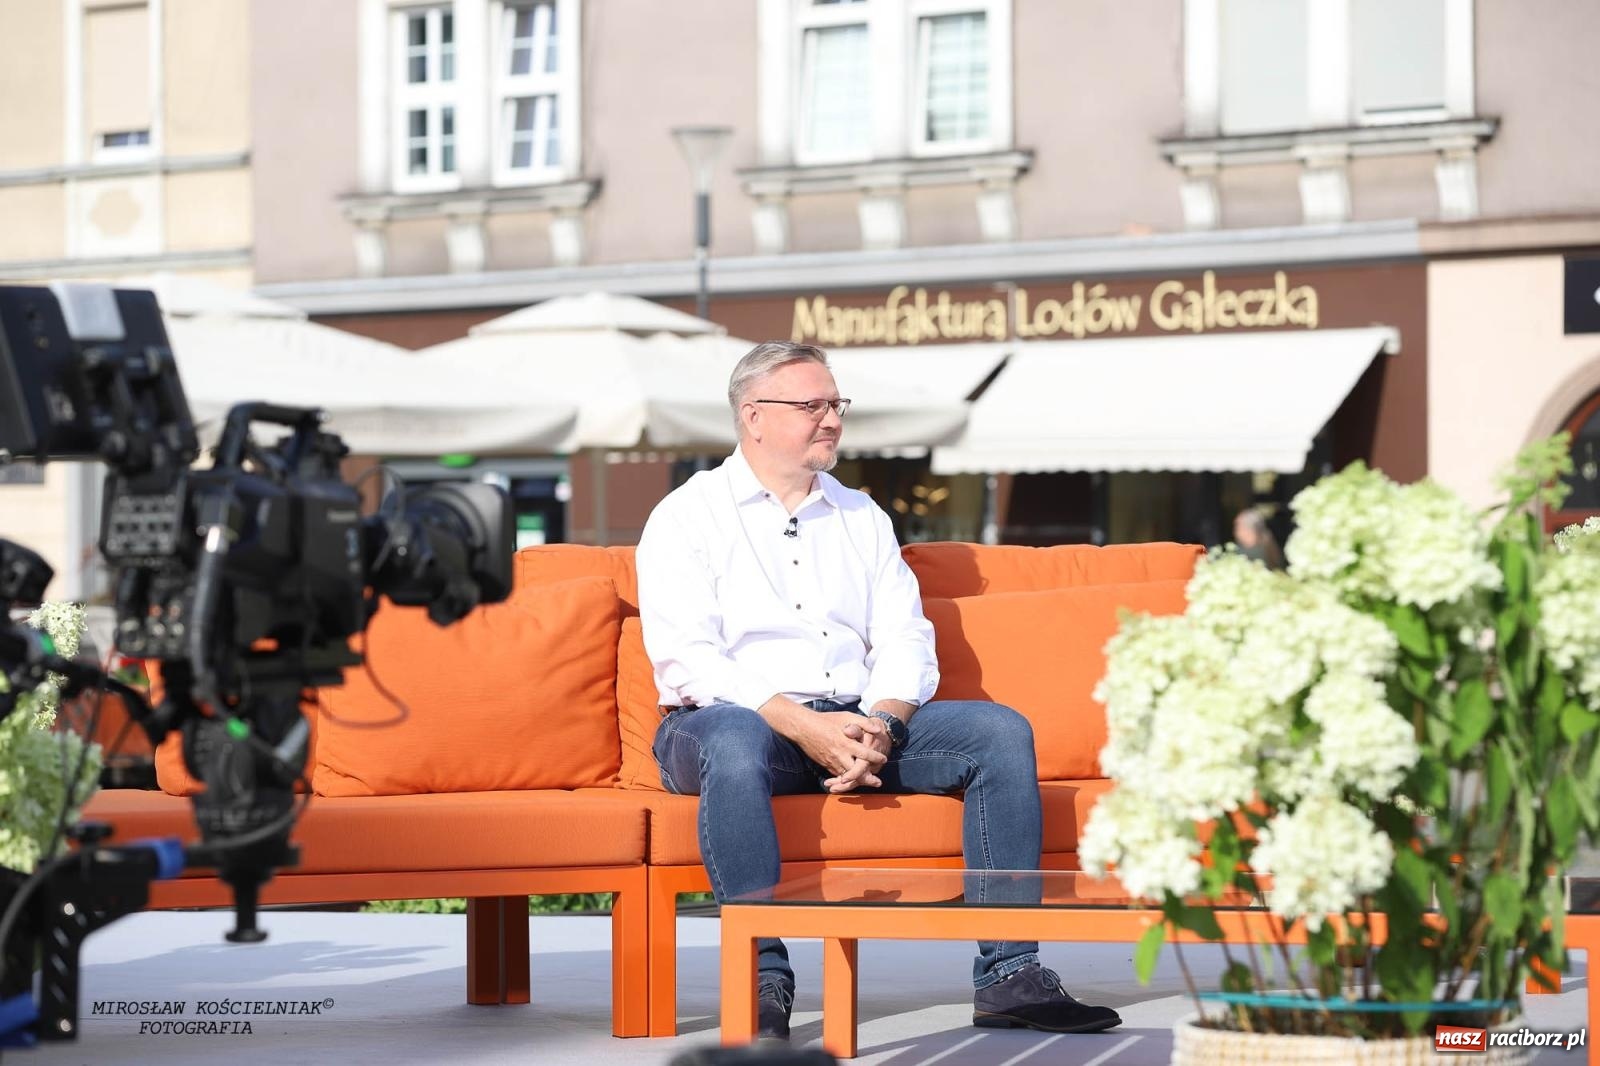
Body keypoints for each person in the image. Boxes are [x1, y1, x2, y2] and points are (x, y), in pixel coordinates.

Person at [635, 340, 1122, 1041]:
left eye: (837, 404)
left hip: (853, 719)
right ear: (754, 416)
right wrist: (803, 725)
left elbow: (904, 638)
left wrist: (883, 725)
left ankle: (1010, 974)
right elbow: (689, 658)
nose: (831, 418)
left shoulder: (861, 515)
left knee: (997, 731)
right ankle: (762, 977)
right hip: (723, 721)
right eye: (813, 405)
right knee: (738, 739)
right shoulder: (687, 516)